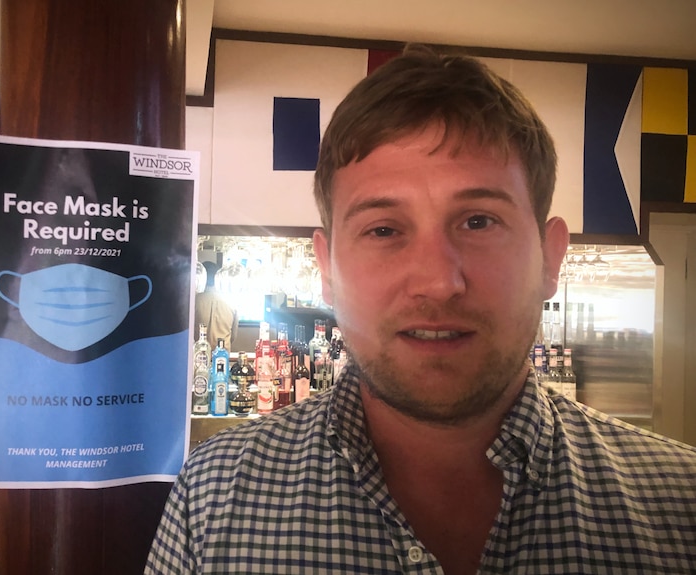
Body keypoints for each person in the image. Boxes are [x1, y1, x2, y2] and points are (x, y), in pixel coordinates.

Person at [146, 45, 696, 574]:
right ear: (328, 268)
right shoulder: (212, 496)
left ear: (551, 257)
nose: (438, 282)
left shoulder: (679, 506)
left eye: (478, 221)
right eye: (383, 229)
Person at [194, 261, 238, 352]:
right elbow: (233, 336)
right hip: (223, 356)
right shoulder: (231, 302)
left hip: (199, 356)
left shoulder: (193, 301)